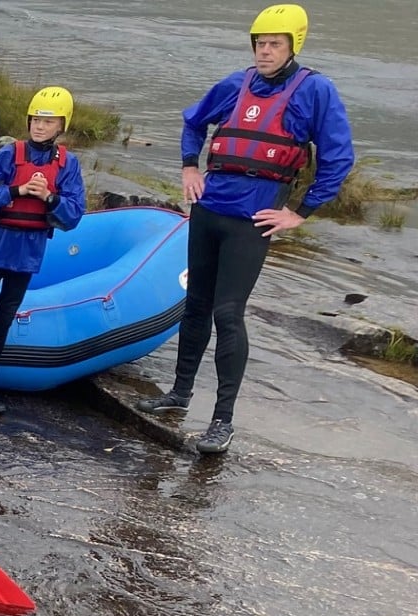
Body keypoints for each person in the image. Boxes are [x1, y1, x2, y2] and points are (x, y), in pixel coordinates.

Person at [134, 3, 354, 454]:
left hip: (252, 222)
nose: (265, 51)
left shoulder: (316, 91)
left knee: (227, 313)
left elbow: (338, 157)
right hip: (209, 209)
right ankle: (179, 393)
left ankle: (222, 421)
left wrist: (301, 211)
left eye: (274, 43)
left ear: (294, 45)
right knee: (195, 304)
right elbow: (194, 123)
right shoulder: (236, 84)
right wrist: (188, 168)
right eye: (259, 43)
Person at [0, 87, 88, 414]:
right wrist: (17, 190)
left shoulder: (68, 163)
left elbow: (74, 213)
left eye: (48, 121)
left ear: (60, 126)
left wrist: (48, 198)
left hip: (29, 249)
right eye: (36, 119)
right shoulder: (11, 154)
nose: (39, 126)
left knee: (5, 317)